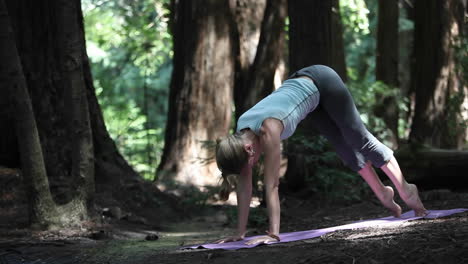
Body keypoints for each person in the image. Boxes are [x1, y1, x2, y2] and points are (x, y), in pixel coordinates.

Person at [214, 65, 427, 245]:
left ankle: (405, 189)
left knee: (358, 138)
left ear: (249, 150)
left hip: (322, 80)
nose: (251, 169)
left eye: (249, 165)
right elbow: (244, 186)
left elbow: (272, 185)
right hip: (307, 94)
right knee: (344, 148)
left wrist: (273, 234)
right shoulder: (241, 132)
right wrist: (239, 234)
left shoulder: (268, 130)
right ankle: (382, 192)